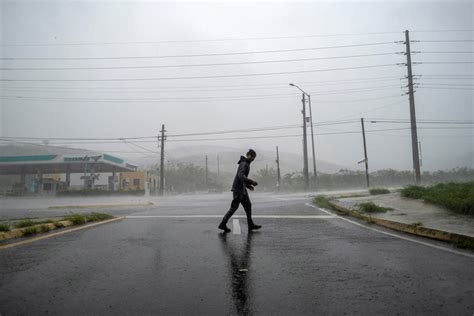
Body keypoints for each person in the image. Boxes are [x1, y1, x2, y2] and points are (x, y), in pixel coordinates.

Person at [218, 149, 262, 233]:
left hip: (241, 188)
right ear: (248, 155)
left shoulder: (246, 164)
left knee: (247, 205)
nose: (253, 159)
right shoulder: (244, 164)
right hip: (239, 189)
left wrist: (248, 186)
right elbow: (240, 176)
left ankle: (250, 224)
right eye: (252, 157)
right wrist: (251, 182)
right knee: (235, 207)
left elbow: (242, 178)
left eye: (254, 157)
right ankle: (223, 224)